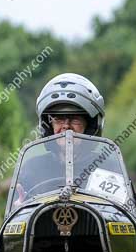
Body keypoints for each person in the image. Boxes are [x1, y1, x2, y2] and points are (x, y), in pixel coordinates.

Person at [13, 73, 106, 206]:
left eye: (75, 119)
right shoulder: (32, 168)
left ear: (90, 126)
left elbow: (123, 212)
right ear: (49, 126)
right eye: (59, 119)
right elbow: (15, 213)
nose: (66, 126)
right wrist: (18, 208)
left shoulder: (106, 166)